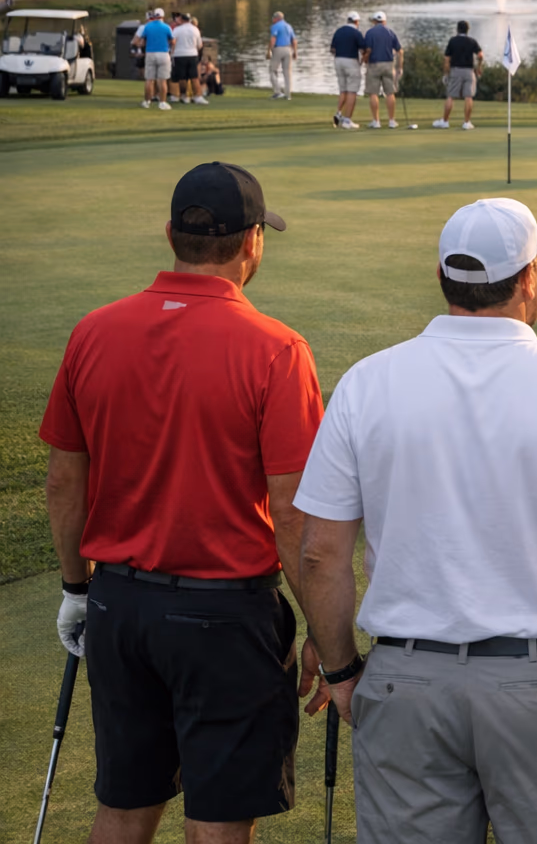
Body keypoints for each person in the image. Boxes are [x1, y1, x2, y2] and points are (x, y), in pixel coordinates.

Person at [294, 197, 537, 844]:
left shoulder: (366, 383)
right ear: (529, 279)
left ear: (443, 277)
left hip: (406, 683)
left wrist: (342, 670)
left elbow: (321, 553)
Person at [38, 162, 328, 842]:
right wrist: (325, 626)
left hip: (118, 609)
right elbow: (292, 514)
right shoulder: (278, 350)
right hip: (225, 618)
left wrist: (76, 589)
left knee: (124, 806)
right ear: (253, 242)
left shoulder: (93, 331)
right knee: (217, 820)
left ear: (171, 235)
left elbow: (63, 482)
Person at [433, 19, 484, 129]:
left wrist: (446, 74)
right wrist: (479, 67)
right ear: (468, 30)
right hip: (469, 71)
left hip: (456, 70)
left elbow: (447, 59)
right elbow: (480, 55)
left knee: (451, 96)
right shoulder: (472, 41)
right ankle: (467, 122)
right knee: (468, 97)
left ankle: (445, 121)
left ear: (457, 29)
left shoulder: (453, 41)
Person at [362, 10, 403, 129]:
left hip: (374, 65)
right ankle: (391, 121)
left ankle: (376, 121)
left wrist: (364, 61)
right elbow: (400, 51)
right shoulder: (390, 32)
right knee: (390, 93)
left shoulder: (370, 32)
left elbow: (368, 50)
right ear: (384, 21)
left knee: (373, 93)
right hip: (388, 64)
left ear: (375, 21)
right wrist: (400, 67)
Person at [131, 8, 174, 111]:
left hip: (150, 53)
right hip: (163, 53)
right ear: (163, 16)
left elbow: (139, 41)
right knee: (162, 80)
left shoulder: (147, 27)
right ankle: (162, 102)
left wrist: (142, 45)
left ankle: (147, 102)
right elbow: (172, 41)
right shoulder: (167, 27)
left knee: (149, 79)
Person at [330, 12, 364, 130]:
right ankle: (347, 120)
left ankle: (339, 113)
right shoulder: (356, 33)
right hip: (351, 61)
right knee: (352, 91)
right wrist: (362, 61)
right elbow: (363, 50)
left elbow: (332, 49)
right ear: (356, 21)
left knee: (343, 90)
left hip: (338, 61)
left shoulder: (338, 31)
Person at [170, 13, 206, 105]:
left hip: (179, 55)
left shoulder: (177, 30)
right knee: (194, 77)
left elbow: (172, 42)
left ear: (182, 20)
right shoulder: (195, 29)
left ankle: (184, 96)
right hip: (192, 55)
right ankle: (198, 96)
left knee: (182, 78)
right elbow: (200, 45)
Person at [266, 10, 297, 100]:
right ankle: (288, 94)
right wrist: (295, 52)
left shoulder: (275, 26)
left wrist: (269, 51)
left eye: (273, 18)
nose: (272, 20)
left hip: (278, 48)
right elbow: (294, 40)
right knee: (287, 72)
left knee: (272, 70)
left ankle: (278, 92)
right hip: (288, 49)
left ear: (276, 18)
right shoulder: (289, 26)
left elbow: (273, 39)